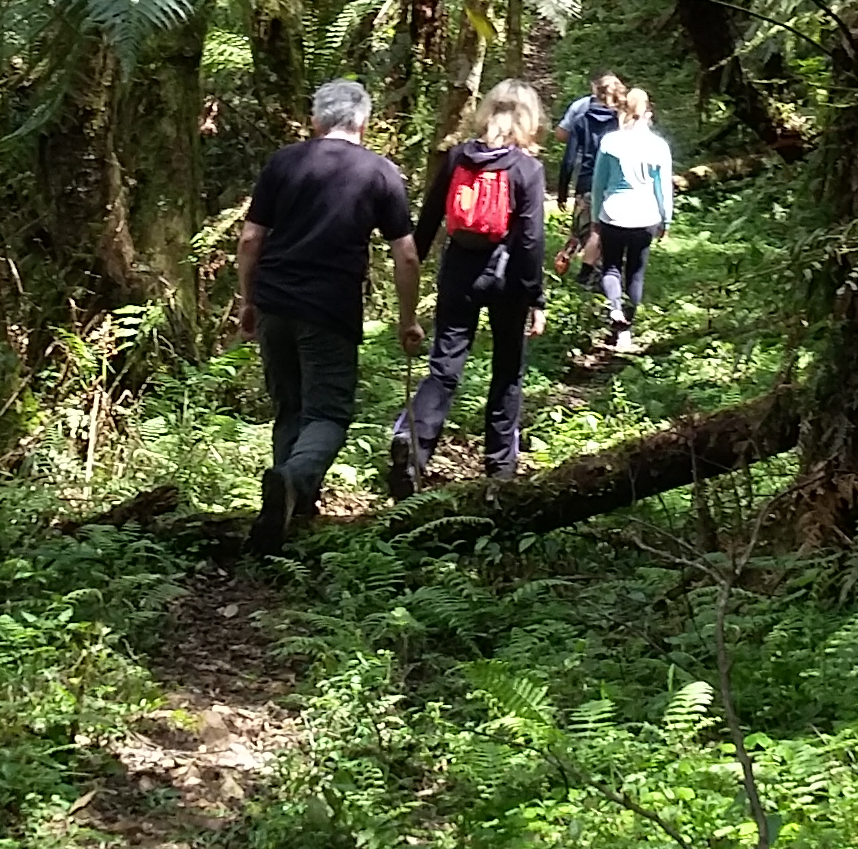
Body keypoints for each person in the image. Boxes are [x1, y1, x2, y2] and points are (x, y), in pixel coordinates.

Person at [234, 79, 420, 554]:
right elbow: (406, 255)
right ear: (364, 121)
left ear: (316, 120)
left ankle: (288, 508)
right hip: (329, 307)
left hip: (275, 301)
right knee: (329, 413)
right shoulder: (381, 173)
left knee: (290, 407)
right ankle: (294, 483)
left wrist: (247, 299)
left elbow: (251, 238)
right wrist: (407, 319)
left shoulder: (284, 162)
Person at [384, 79, 551, 499]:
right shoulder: (526, 169)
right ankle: (500, 468)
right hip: (508, 277)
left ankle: (415, 449)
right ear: (529, 120)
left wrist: (412, 268)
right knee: (507, 369)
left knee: (444, 365)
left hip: (459, 270)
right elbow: (530, 241)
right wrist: (536, 297)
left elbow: (426, 221)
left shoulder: (459, 157)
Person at [586, 85, 674, 355]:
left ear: (623, 110)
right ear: (648, 111)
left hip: (613, 213)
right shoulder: (659, 146)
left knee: (611, 266)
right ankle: (627, 331)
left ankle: (615, 310)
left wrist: (594, 217)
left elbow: (599, 184)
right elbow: (663, 188)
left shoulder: (610, 142)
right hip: (646, 216)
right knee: (635, 272)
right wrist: (666, 220)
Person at [555, 71, 624, 297]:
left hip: (587, 182)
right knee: (610, 232)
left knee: (584, 231)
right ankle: (605, 283)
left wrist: (563, 190)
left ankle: (585, 280)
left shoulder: (582, 120)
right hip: (615, 184)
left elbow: (568, 159)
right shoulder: (621, 122)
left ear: (595, 92)